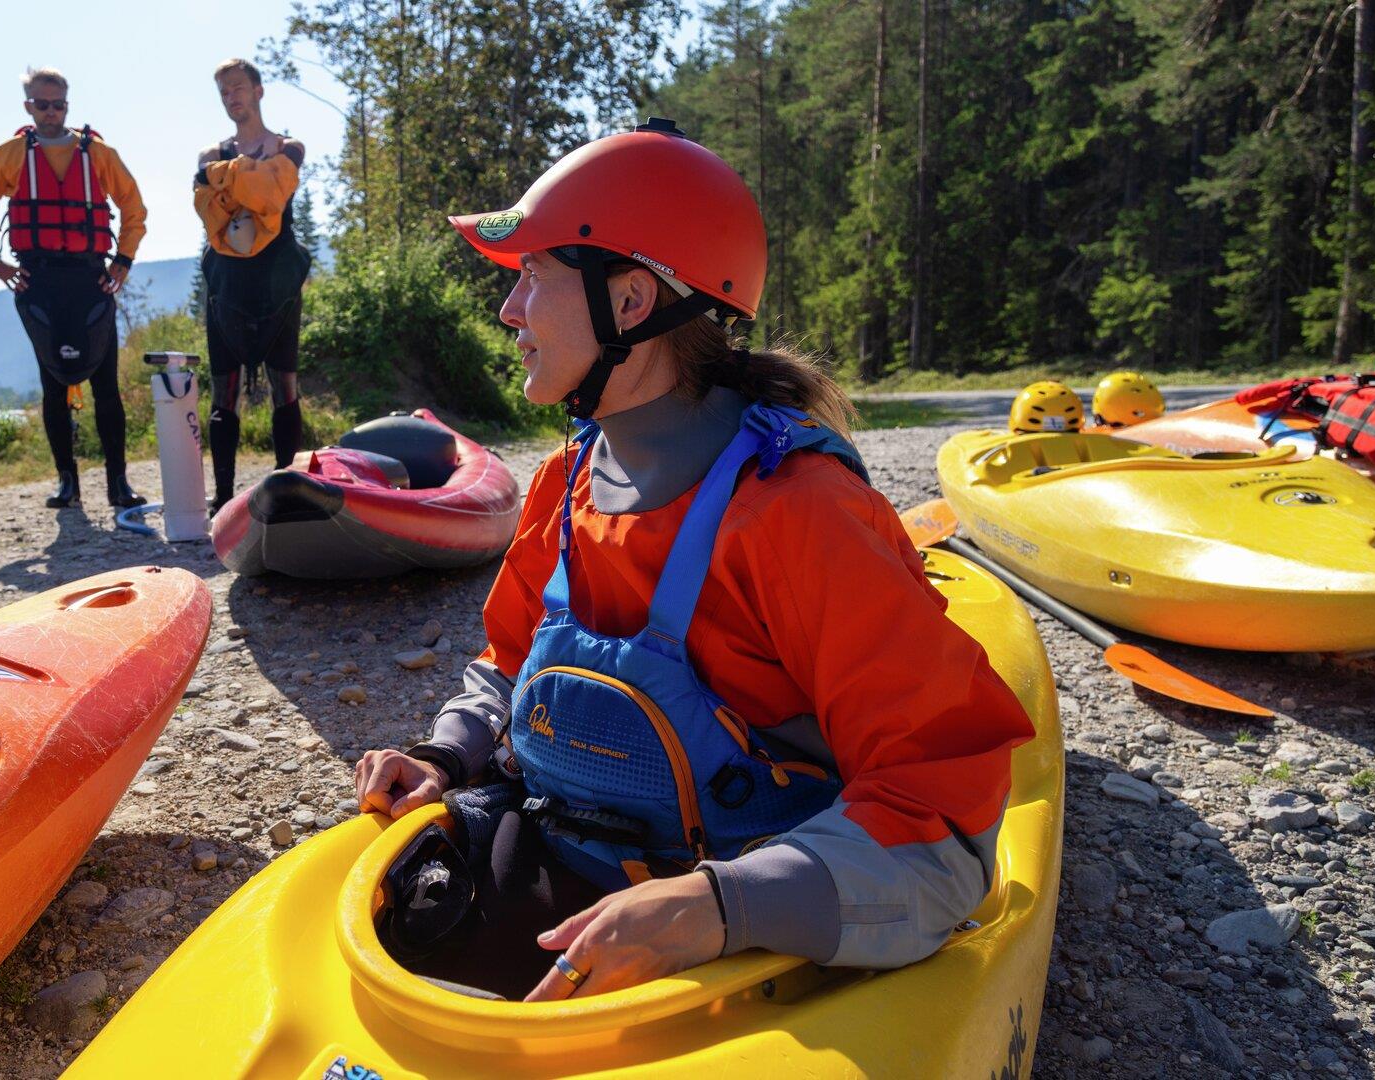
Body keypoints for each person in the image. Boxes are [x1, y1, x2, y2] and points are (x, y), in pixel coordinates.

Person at [353, 120, 1033, 1003]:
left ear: (630, 303)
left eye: (532, 277)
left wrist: (719, 908)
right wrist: (445, 752)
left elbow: (947, 824)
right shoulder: (566, 483)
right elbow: (511, 666)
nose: (508, 311)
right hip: (574, 854)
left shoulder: (801, 513)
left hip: (752, 913)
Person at [0, 66, 149, 510]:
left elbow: (134, 207)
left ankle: (118, 483)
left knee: (106, 384)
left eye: (58, 103)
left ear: (68, 103)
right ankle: (68, 481)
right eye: (41, 104)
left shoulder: (98, 154)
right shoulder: (8, 156)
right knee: (52, 386)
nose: (50, 111)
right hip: (37, 279)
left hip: (91, 277)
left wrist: (123, 259)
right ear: (28, 106)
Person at [193, 57, 313, 513]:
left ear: (259, 90)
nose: (232, 97)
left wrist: (226, 180)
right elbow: (209, 209)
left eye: (239, 87)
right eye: (224, 91)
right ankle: (223, 498)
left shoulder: (290, 146)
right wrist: (251, 180)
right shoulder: (210, 151)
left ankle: (287, 488)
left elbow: (272, 195)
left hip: (278, 283)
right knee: (225, 389)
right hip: (228, 283)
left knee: (286, 385)